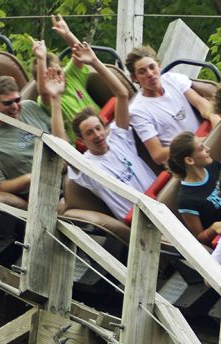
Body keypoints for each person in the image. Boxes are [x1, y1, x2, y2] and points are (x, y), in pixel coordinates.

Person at [60, 42, 155, 222]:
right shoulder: (86, 165)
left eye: (98, 128)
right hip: (139, 219)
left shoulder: (119, 137)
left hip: (160, 199)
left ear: (105, 127)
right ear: (81, 139)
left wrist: (94, 61)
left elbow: (122, 94)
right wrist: (55, 100)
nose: (97, 135)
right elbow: (61, 146)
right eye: (89, 133)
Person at [126, 45, 220, 165]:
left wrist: (214, 117)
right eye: (142, 72)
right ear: (134, 78)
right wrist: (194, 144)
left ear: (159, 66)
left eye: (152, 67)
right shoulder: (137, 110)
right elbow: (158, 154)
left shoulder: (173, 79)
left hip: (208, 140)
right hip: (186, 161)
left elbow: (200, 103)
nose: (150, 74)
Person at [0, 75, 54, 198]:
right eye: (8, 103)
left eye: (17, 100)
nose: (15, 106)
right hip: (37, 192)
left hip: (61, 170)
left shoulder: (29, 107)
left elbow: (54, 133)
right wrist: (30, 177)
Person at [37, 15, 100, 140]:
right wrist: (41, 58)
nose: (59, 79)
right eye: (52, 77)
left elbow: (81, 53)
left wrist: (67, 33)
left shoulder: (69, 75)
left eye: (59, 73)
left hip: (103, 122)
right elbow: (44, 91)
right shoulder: (49, 97)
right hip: (86, 139)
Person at [167, 131, 221, 246]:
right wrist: (213, 228)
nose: (208, 149)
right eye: (201, 148)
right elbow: (200, 239)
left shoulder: (215, 166)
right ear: (189, 160)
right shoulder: (186, 199)